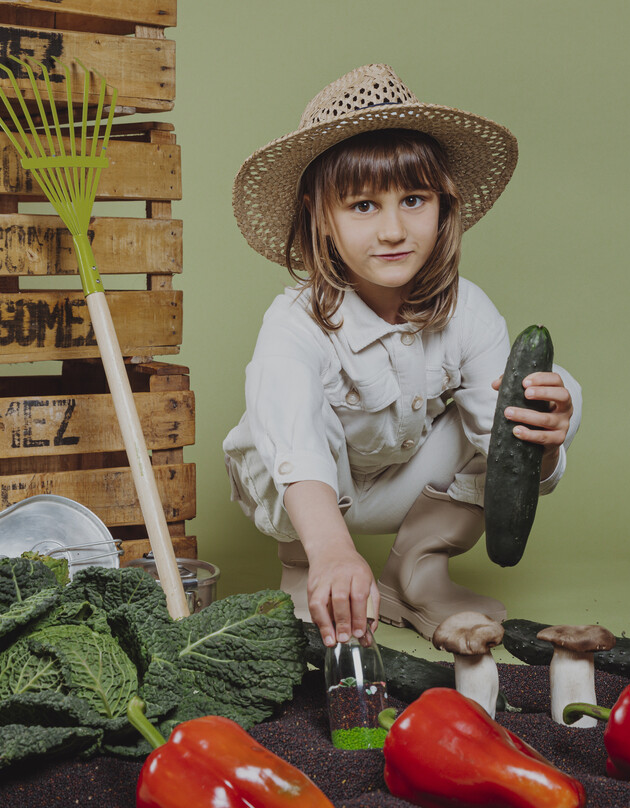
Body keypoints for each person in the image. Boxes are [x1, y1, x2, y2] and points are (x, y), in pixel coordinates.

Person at [225, 64, 582, 647]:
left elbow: (504, 453)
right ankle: (309, 570)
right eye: (363, 206)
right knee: (286, 421)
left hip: (405, 481)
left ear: (443, 203)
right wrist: (335, 551)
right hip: (313, 495)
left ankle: (415, 572)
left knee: (544, 386)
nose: (393, 230)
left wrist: (542, 445)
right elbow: (292, 442)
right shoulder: (296, 321)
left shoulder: (468, 311)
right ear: (320, 213)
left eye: (413, 199)